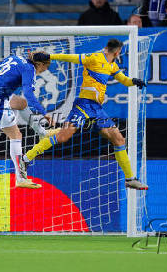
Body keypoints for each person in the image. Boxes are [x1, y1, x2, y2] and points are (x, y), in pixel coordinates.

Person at [20, 39, 148, 191]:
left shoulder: (112, 65)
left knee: (119, 139)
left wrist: (134, 81)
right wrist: (49, 56)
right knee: (63, 137)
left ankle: (129, 179)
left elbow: (125, 80)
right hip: (83, 105)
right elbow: (71, 57)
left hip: (97, 109)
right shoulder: (94, 57)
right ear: (118, 52)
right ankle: (26, 158)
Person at [0, 51, 55, 189]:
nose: (46, 70)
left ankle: (42, 133)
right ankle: (20, 178)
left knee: (21, 103)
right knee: (16, 135)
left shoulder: (15, 57)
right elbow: (29, 94)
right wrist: (44, 113)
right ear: (39, 64)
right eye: (46, 66)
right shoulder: (29, 69)